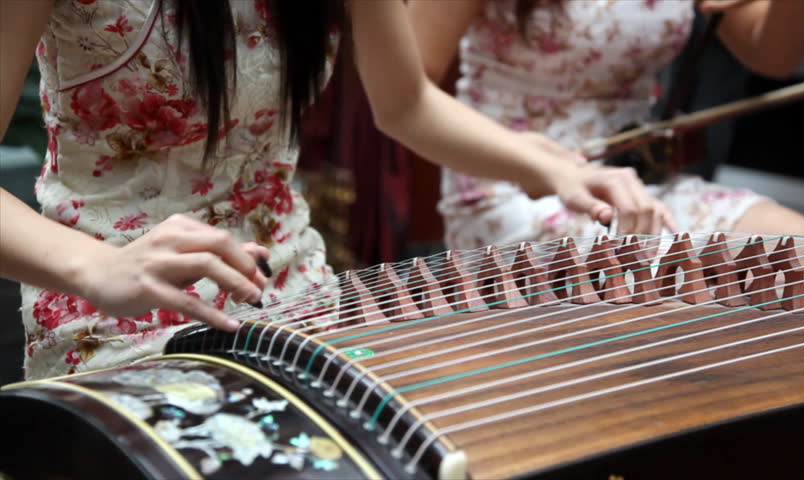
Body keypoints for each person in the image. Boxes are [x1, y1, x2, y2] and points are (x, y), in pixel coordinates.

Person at [0, 0, 678, 380]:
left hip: (290, 288)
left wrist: (553, 168)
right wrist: (95, 265)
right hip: (115, 301)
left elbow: (407, 102)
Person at [409, 0, 804, 250]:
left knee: (793, 244)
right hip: (512, 181)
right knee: (670, 281)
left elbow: (776, 58)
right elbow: (408, 89)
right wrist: (552, 169)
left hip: (633, 177)